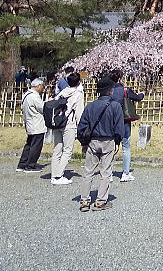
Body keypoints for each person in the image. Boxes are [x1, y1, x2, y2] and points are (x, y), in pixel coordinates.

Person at [77, 76, 125, 212]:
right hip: (108, 140)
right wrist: (117, 141)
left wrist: (83, 142)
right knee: (106, 172)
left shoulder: (90, 106)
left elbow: (82, 126)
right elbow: (119, 127)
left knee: (88, 171)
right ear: (110, 90)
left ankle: (84, 200)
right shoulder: (115, 106)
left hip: (92, 141)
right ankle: (100, 201)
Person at [109, 69, 145, 183]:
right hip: (124, 120)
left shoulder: (108, 90)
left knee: (110, 147)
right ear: (120, 78)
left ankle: (108, 174)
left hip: (110, 120)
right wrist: (142, 94)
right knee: (126, 146)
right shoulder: (125, 90)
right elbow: (137, 98)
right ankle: (125, 173)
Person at [50, 71, 85, 185]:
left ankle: (54, 175)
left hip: (57, 123)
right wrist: (81, 128)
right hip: (69, 124)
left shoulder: (61, 93)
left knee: (57, 149)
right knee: (67, 151)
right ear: (78, 82)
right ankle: (59, 175)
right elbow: (79, 113)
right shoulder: (78, 94)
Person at [17, 78, 46, 173]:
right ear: (38, 86)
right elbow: (42, 108)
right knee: (36, 145)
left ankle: (22, 164)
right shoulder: (35, 96)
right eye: (42, 86)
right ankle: (30, 165)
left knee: (29, 144)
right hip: (36, 123)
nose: (43, 89)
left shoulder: (26, 94)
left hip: (29, 122)